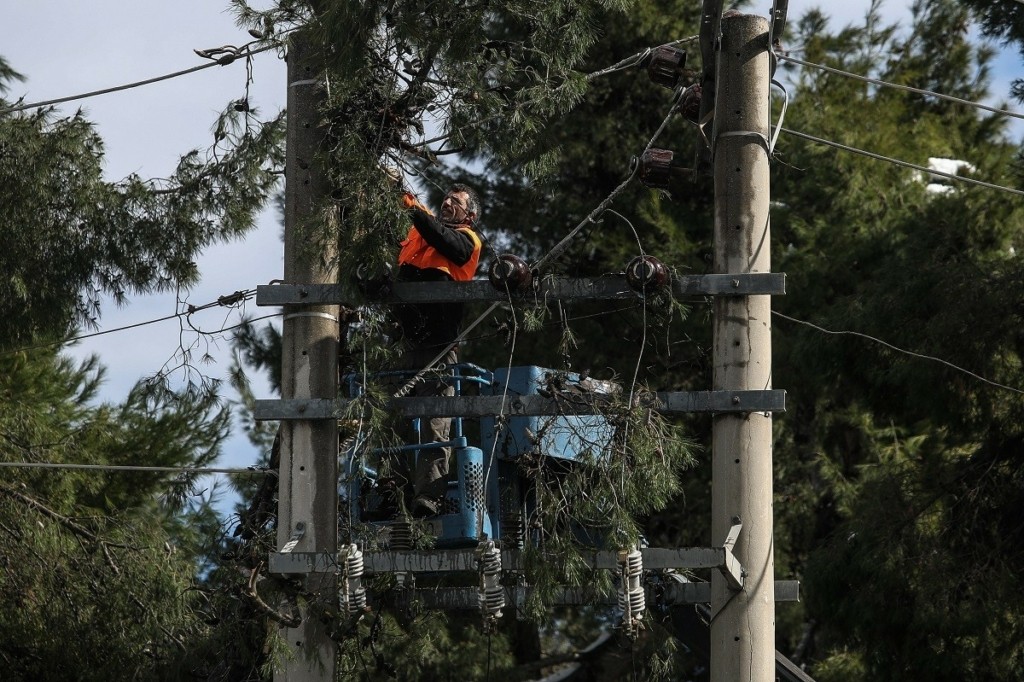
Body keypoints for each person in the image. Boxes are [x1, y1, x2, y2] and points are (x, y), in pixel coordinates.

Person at [392, 183, 482, 516]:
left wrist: (412, 205)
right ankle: (393, 487)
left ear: (469, 215)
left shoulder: (467, 241)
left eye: (455, 202)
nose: (446, 202)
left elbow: (442, 239)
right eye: (444, 199)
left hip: (439, 344)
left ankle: (428, 496)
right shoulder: (418, 236)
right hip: (406, 339)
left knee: (436, 421)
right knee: (393, 417)